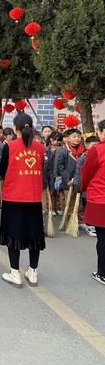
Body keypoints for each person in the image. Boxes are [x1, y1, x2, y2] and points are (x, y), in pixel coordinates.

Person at [0, 113, 45, 288]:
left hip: (14, 198)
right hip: (34, 198)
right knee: (34, 236)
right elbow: (40, 169)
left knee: (13, 234)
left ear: (15, 128)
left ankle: (15, 273)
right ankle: (33, 272)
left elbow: (2, 170)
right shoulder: (40, 148)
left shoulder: (9, 146)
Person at [80, 119, 105, 286]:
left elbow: (86, 174)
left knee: (103, 238)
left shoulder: (97, 150)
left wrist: (82, 187)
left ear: (101, 132)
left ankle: (102, 273)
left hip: (100, 199)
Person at [56, 128, 85, 227]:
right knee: (69, 202)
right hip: (68, 182)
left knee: (79, 203)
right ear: (68, 138)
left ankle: (80, 222)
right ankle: (68, 222)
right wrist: (68, 179)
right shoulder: (63, 151)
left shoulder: (83, 151)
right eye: (74, 137)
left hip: (79, 180)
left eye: (78, 137)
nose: (77, 139)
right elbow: (61, 167)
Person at [74, 135, 100, 237]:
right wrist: (78, 186)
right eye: (93, 145)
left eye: (97, 145)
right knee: (87, 206)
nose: (95, 147)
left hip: (97, 187)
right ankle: (89, 226)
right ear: (87, 145)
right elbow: (78, 172)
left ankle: (95, 225)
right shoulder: (83, 157)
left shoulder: (100, 154)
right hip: (86, 187)